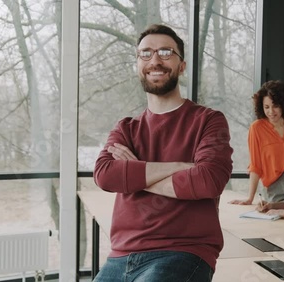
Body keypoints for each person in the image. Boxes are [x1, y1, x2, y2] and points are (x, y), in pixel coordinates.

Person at [93, 24, 233, 282]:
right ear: (138, 64)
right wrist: (181, 166)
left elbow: (208, 180)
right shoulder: (125, 127)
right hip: (121, 254)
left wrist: (134, 173)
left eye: (166, 52)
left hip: (182, 252)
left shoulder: (208, 121)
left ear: (182, 65)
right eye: (145, 53)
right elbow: (105, 176)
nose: (155, 60)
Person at [230, 80, 284, 205]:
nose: (271, 112)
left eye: (275, 106)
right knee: (278, 217)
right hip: (276, 186)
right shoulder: (256, 128)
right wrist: (250, 198)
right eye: (266, 107)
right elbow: (255, 165)